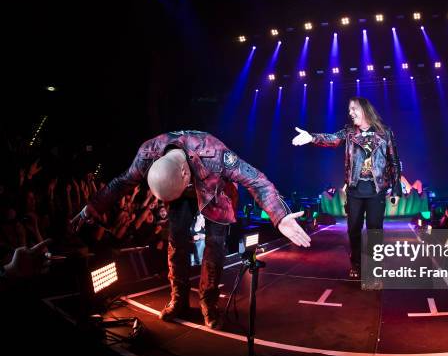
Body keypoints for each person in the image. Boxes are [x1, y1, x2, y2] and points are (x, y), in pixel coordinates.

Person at [72, 130, 310, 329]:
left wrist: (280, 216)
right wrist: (91, 208)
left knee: (215, 246)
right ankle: (179, 300)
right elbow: (123, 181)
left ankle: (208, 303)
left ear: (185, 174)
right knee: (176, 242)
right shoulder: (148, 153)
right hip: (179, 195)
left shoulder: (215, 153)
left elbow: (256, 180)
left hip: (216, 192)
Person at [292, 97, 401, 279]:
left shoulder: (385, 132)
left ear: (365, 109)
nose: (350, 113)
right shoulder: (350, 132)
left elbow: (394, 161)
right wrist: (312, 137)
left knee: (375, 230)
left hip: (376, 190)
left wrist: (396, 187)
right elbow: (332, 139)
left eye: (353, 109)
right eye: (349, 110)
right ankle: (357, 264)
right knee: (353, 230)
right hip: (355, 190)